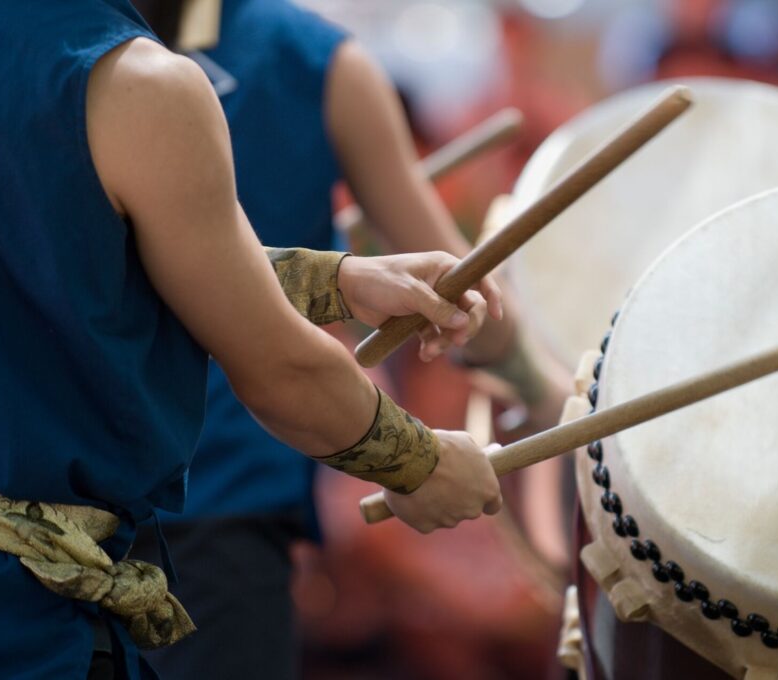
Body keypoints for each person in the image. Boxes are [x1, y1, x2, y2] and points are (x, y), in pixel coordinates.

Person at [0, 1, 505, 678]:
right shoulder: (141, 84)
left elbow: (86, 253)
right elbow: (281, 371)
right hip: (28, 618)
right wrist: (420, 465)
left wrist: (339, 280)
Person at [123, 1, 571, 677]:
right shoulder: (321, 62)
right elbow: (461, 290)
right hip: (225, 509)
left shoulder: (53, 47)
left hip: (54, 514)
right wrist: (545, 385)